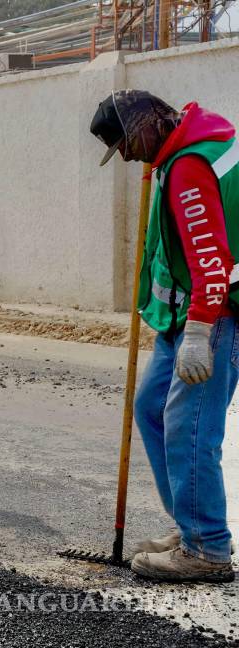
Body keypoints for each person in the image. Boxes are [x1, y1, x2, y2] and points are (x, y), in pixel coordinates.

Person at [91, 90, 237, 583]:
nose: (128, 156)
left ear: (149, 124)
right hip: (183, 315)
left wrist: (198, 330)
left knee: (189, 427)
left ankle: (208, 549)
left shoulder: (188, 169)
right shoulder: (189, 144)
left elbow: (211, 259)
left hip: (213, 314)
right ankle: (191, 524)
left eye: (126, 144)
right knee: (152, 408)